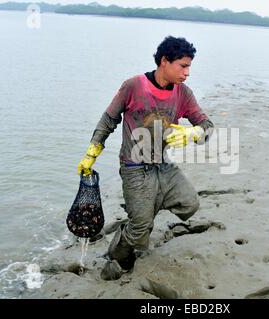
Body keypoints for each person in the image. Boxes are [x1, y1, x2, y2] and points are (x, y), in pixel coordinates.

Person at [77, 36, 214, 280]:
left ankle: (141, 213)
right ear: (165, 61)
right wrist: (92, 152)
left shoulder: (183, 93)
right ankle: (119, 250)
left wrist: (196, 132)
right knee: (140, 230)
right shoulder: (133, 86)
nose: (188, 72)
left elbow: (207, 125)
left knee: (190, 204)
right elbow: (109, 119)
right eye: (183, 66)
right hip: (133, 166)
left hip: (163, 165)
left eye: (189, 66)